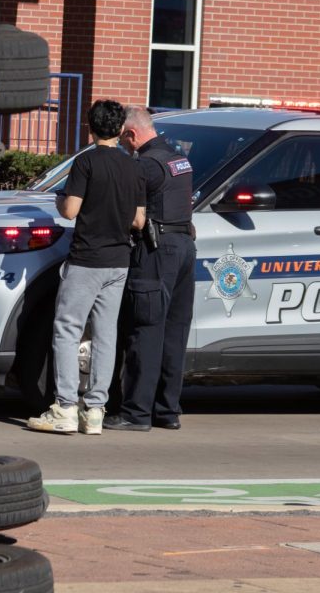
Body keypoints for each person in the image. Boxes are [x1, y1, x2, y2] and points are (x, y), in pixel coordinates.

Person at [26, 100, 145, 436]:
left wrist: (61, 199)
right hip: (119, 261)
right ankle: (95, 410)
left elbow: (70, 211)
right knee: (106, 335)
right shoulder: (133, 167)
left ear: (90, 128)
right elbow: (139, 219)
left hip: (86, 259)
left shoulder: (86, 162)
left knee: (67, 330)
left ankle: (64, 407)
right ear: (121, 130)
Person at [104, 107, 197, 432]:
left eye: (124, 140)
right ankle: (166, 411)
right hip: (184, 247)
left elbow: (125, 208)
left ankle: (135, 413)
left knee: (144, 329)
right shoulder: (177, 158)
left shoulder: (145, 164)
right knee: (174, 333)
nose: (123, 146)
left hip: (156, 251)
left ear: (131, 134)